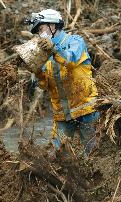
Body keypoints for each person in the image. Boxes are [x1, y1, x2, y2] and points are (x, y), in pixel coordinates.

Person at [28, 9, 100, 157]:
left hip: (86, 109)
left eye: (41, 29)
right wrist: (37, 72)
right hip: (63, 115)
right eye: (38, 32)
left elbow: (70, 60)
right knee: (57, 157)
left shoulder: (75, 41)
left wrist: (54, 49)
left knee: (93, 155)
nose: (40, 34)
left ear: (53, 26)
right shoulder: (45, 55)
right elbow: (44, 85)